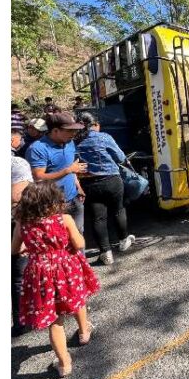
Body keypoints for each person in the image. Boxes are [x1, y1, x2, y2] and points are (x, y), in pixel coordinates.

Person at [11, 181, 100, 377]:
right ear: (53, 200)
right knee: (78, 298)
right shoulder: (64, 219)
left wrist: (31, 247)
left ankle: (64, 363)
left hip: (39, 273)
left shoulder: (22, 224)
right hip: (65, 268)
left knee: (55, 321)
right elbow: (79, 243)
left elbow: (14, 250)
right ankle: (84, 332)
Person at [75, 112, 135, 265]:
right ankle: (123, 241)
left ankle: (106, 253)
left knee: (98, 218)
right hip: (111, 180)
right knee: (118, 210)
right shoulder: (104, 137)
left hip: (89, 183)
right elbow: (120, 157)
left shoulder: (75, 141)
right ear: (95, 124)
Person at [26, 112, 88, 235]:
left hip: (73, 197)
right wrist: (68, 170)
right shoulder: (38, 149)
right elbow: (38, 177)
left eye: (75, 130)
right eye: (69, 130)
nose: (74, 134)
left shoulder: (70, 142)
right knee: (59, 237)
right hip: (53, 202)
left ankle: (79, 255)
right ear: (55, 131)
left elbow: (72, 167)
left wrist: (78, 186)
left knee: (78, 234)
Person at [11, 141, 33, 337]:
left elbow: (18, 197)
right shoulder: (18, 164)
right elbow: (19, 198)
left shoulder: (17, 164)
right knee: (18, 275)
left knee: (18, 274)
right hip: (15, 223)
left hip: (15, 224)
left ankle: (21, 321)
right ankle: (23, 319)